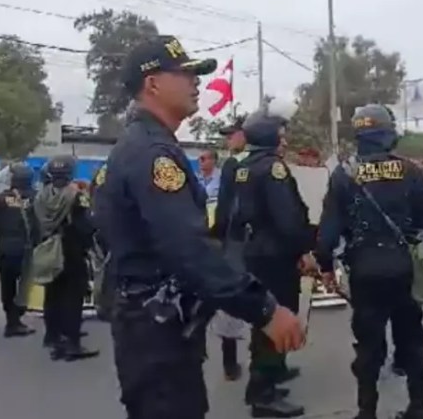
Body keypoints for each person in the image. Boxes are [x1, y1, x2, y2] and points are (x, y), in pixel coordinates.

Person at [92, 36, 303, 419]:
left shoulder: (137, 147)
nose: (196, 82)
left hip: (151, 323)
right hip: (157, 331)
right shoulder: (152, 155)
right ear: (153, 83)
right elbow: (189, 249)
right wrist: (266, 310)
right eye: (185, 74)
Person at [316, 104, 423, 419]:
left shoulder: (344, 174)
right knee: (412, 339)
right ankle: (418, 407)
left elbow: (328, 231)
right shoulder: (410, 171)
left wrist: (326, 267)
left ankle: (366, 411)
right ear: (389, 134)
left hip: (365, 270)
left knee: (368, 345)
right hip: (404, 269)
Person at [234, 101, 314, 418]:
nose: (285, 140)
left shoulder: (244, 166)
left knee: (262, 319)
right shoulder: (273, 168)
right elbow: (289, 219)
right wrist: (303, 251)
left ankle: (269, 377)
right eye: (280, 134)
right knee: (274, 319)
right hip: (276, 256)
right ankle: (262, 394)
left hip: (255, 252)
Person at [33, 155, 99, 361]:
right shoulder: (75, 195)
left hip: (48, 249)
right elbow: (86, 226)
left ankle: (53, 337)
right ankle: (72, 343)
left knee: (52, 295)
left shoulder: (41, 195)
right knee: (73, 297)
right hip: (71, 251)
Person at [211, 116, 250, 382]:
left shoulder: (232, 165)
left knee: (232, 301)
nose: (229, 140)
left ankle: (230, 364)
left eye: (232, 135)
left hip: (235, 241)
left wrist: (218, 236)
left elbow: (224, 207)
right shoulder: (267, 162)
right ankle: (269, 365)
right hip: (258, 242)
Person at [0, 163, 37, 338]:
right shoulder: (36, 197)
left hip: (5, 249)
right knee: (26, 284)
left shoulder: (0, 199)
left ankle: (11, 321)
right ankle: (18, 316)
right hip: (28, 249)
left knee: (8, 285)